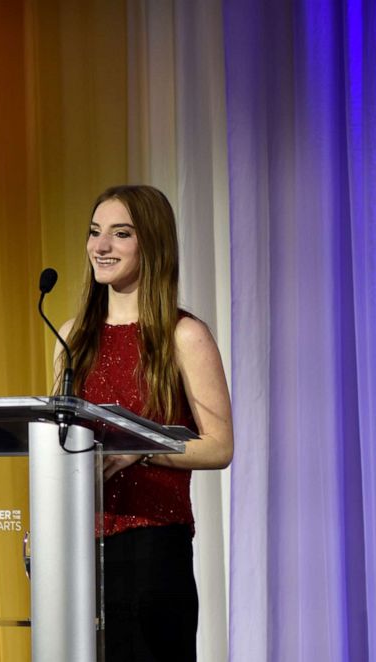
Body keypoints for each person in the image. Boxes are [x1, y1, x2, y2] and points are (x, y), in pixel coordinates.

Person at [55, 184, 234, 662]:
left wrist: (140, 446)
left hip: (153, 547)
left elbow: (219, 447)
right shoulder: (72, 336)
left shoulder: (183, 335)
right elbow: (58, 438)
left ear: (151, 243)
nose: (101, 247)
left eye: (120, 234)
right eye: (95, 233)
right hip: (76, 543)